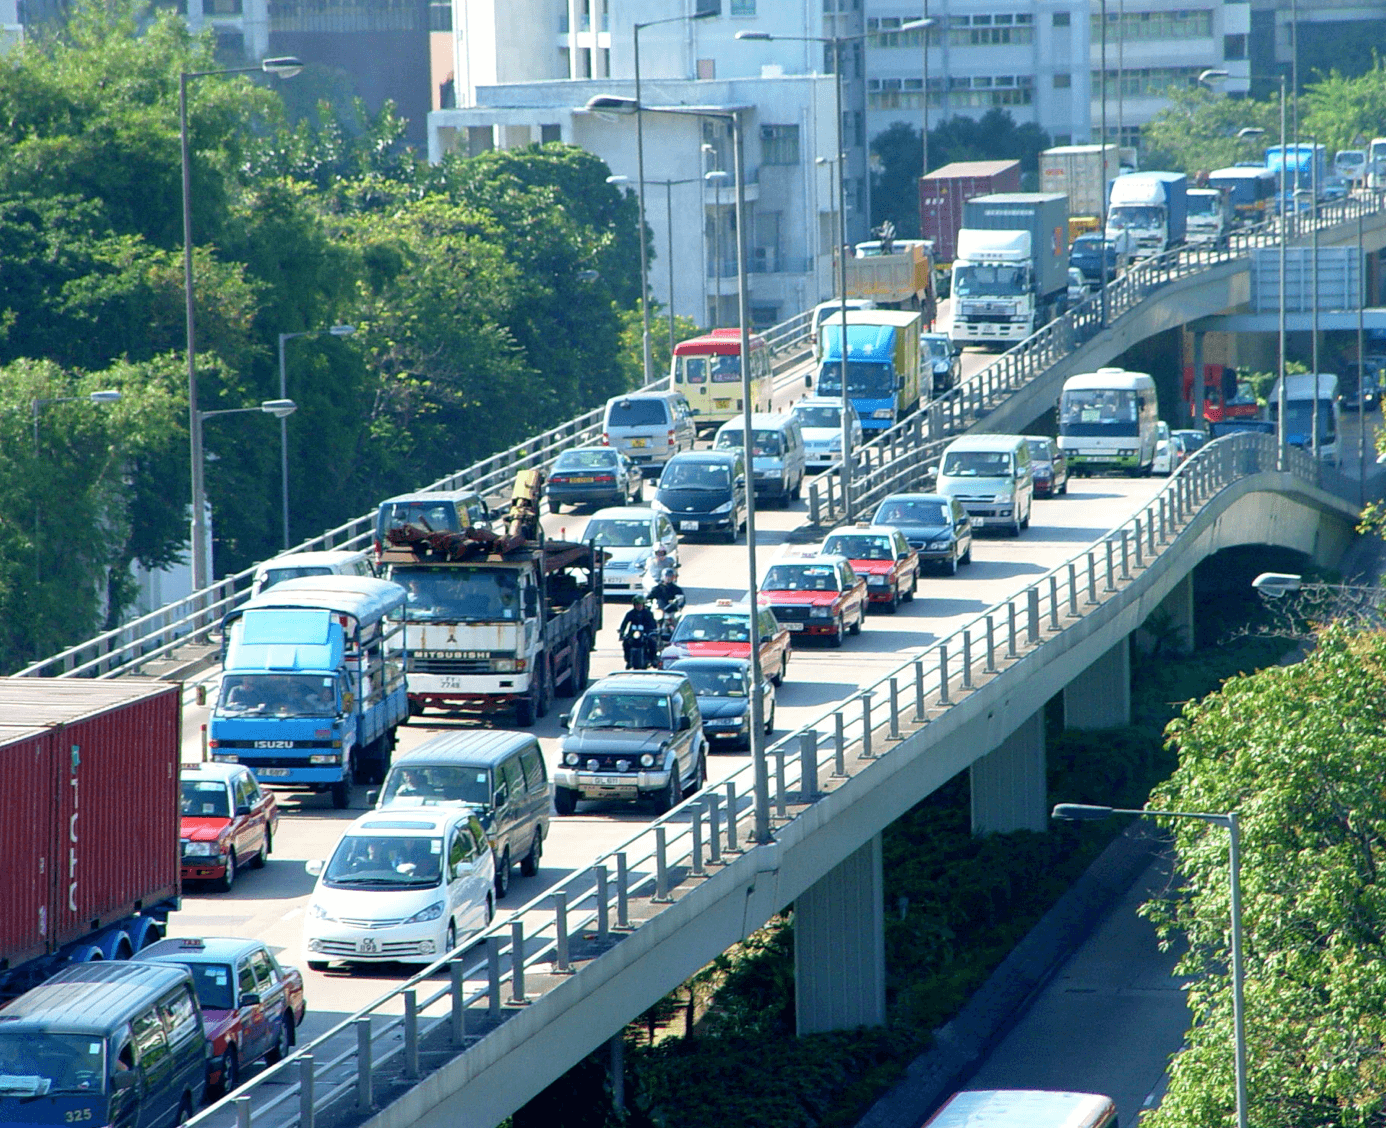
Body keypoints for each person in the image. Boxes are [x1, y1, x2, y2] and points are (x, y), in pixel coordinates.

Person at [619, 595, 658, 668]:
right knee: (626, 643)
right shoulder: (630, 613)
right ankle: (628, 660)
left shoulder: (648, 613)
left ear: (643, 605)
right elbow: (624, 623)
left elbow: (653, 625)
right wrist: (621, 632)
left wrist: (652, 632)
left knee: (652, 642)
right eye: (637, 604)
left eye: (640, 604)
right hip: (633, 633)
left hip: (646, 633)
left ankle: (653, 659)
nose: (639, 606)